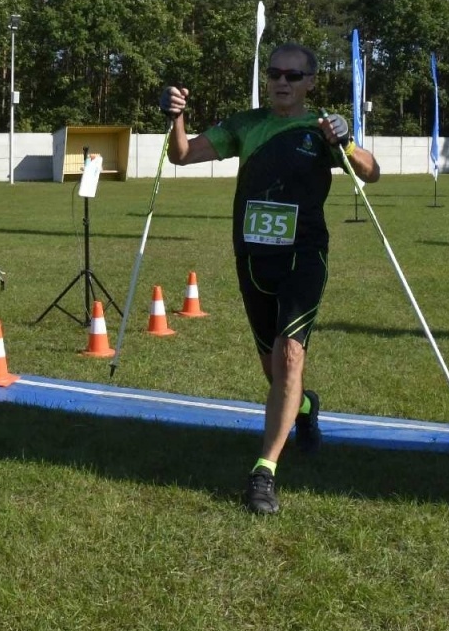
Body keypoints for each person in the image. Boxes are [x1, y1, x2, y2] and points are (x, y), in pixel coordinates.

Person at [161, 43, 381, 515]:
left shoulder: (322, 126)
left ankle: (264, 472)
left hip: (304, 257)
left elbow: (372, 172)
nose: (283, 81)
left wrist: (343, 140)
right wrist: (175, 115)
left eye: (294, 76)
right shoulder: (247, 124)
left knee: (290, 355)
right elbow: (181, 155)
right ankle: (304, 408)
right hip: (253, 259)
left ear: (310, 82)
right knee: (276, 373)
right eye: (276, 73)